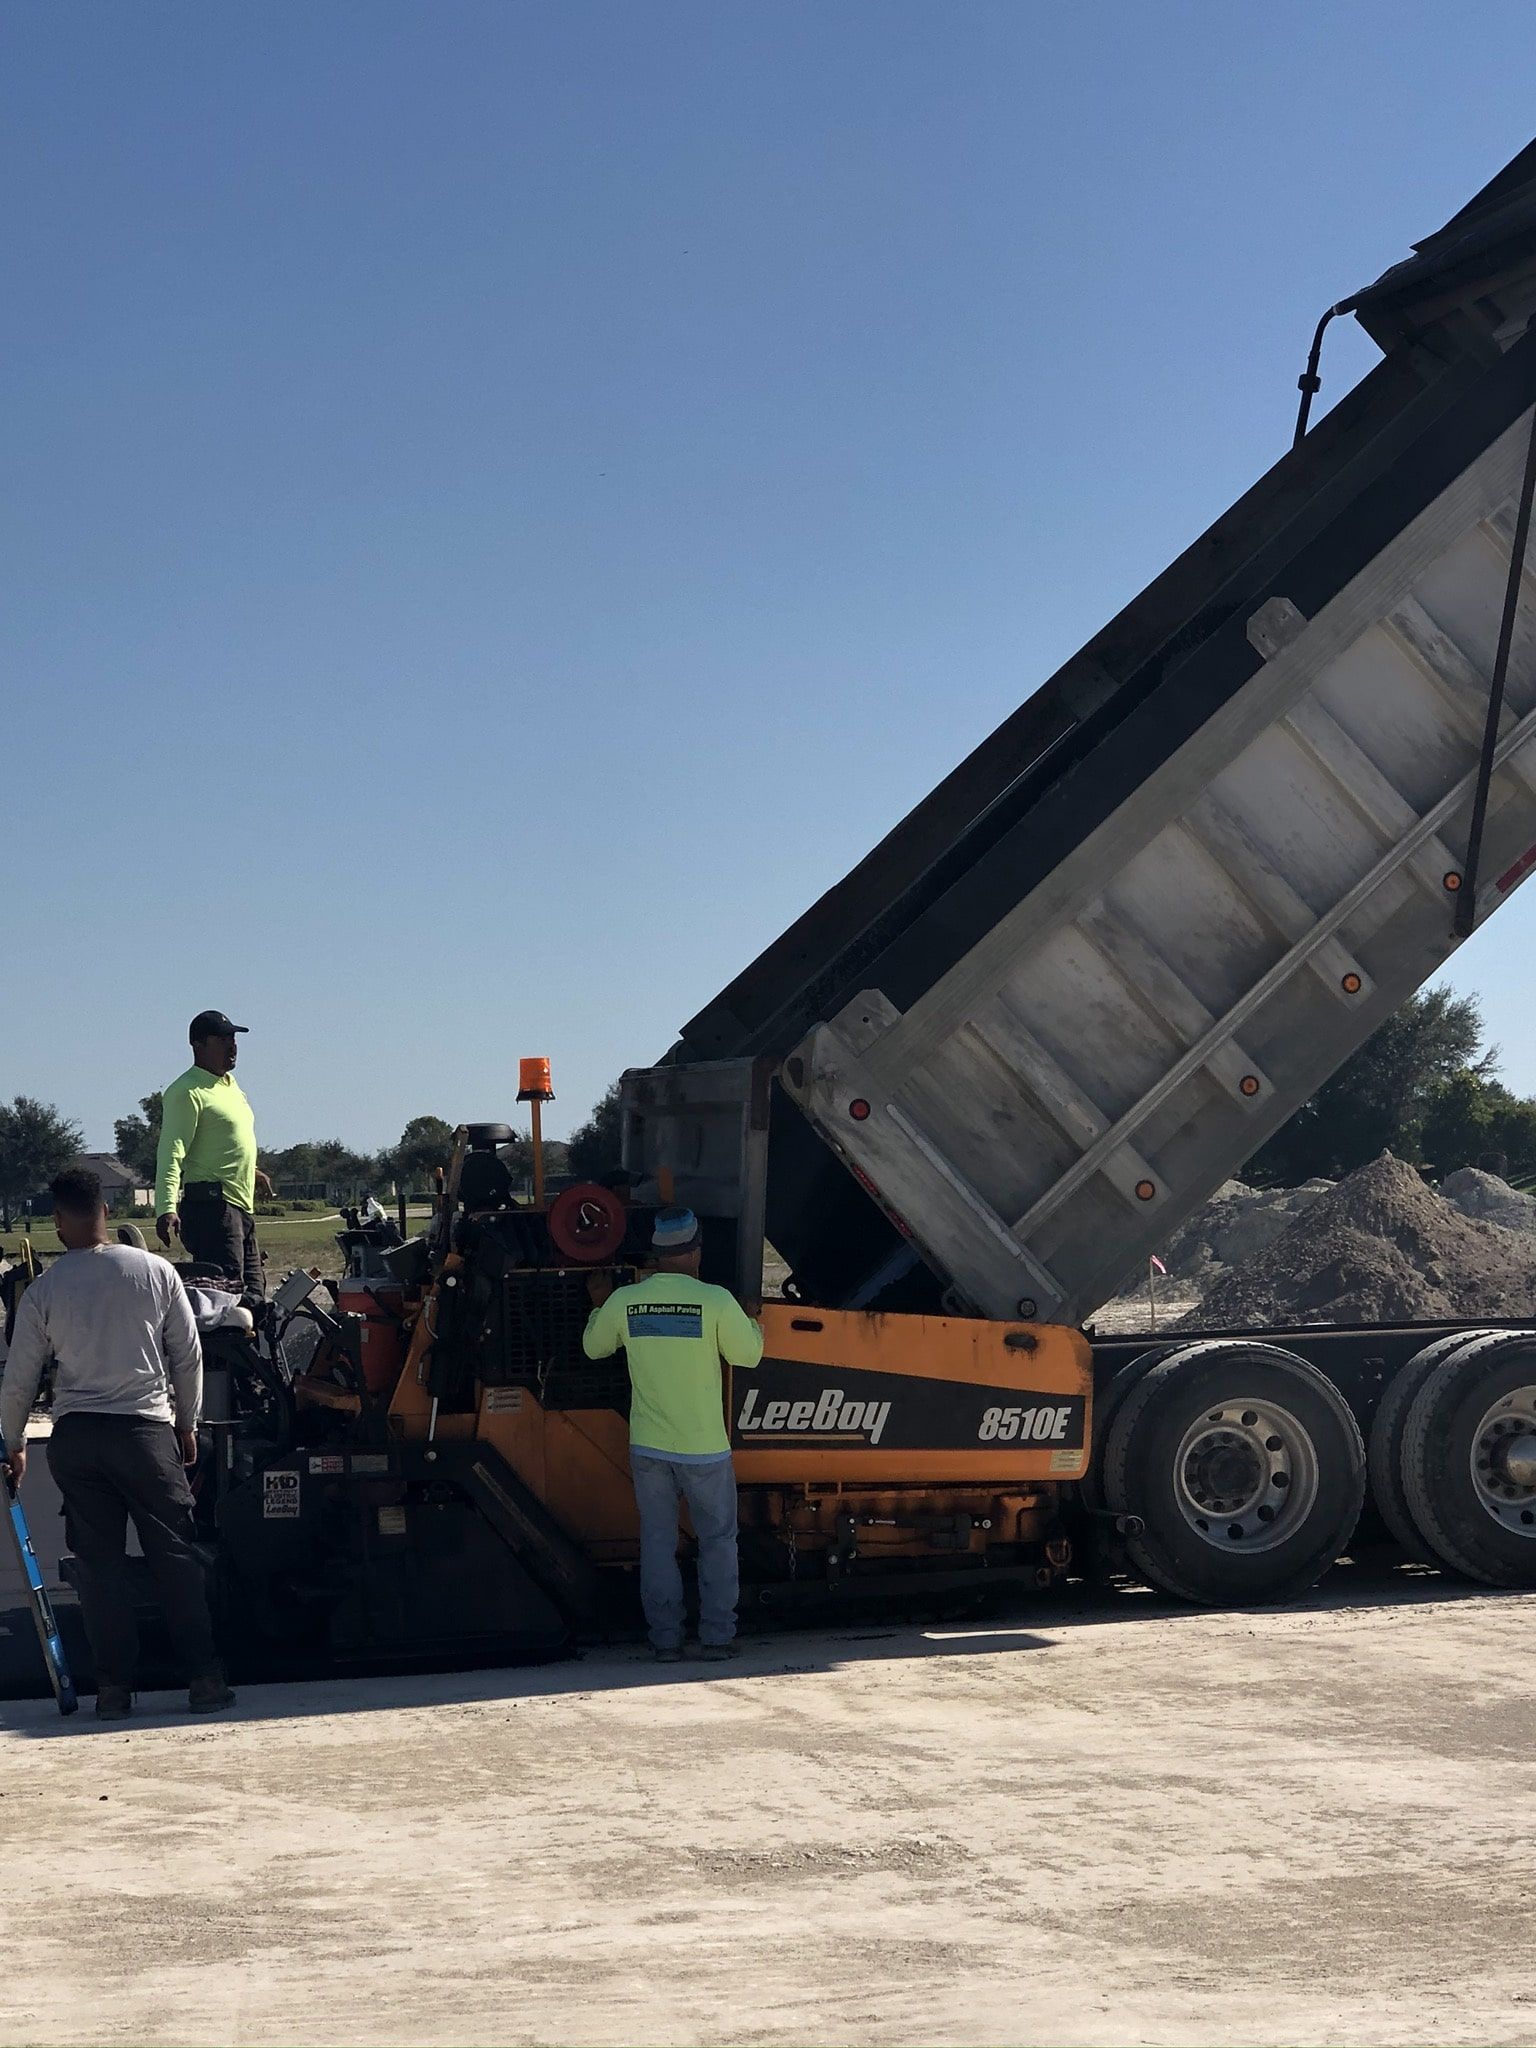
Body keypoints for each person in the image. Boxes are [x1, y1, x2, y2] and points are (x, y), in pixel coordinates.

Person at [0, 1168, 233, 1717]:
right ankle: (203, 1680)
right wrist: (187, 1423)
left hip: (78, 1440)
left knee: (98, 1568)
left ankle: (112, 1691)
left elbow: (20, 1377)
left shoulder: (44, 1289)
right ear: (106, 1210)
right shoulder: (154, 1272)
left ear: (59, 1220)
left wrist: (12, 1443)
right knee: (175, 1558)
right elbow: (187, 1354)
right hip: (145, 1433)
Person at [582, 1207, 763, 1661]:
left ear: (657, 1256)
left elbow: (594, 1348)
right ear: (696, 1253)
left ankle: (665, 1640)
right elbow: (749, 1356)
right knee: (718, 1541)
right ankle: (717, 1637)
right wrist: (753, 1320)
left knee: (658, 1543)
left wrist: (599, 1304)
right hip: (704, 1449)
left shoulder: (626, 1302)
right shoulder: (716, 1301)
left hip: (649, 1447)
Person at [155, 1009, 274, 1294]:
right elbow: (172, 1150)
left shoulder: (230, 1086)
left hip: (240, 1206)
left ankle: (248, 1339)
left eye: (233, 1039)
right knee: (227, 1295)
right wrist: (166, 1207)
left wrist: (251, 1171)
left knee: (254, 1293)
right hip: (213, 1209)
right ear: (198, 1045)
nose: (232, 1046)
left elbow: (223, 1141)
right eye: (222, 1040)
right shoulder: (187, 1091)